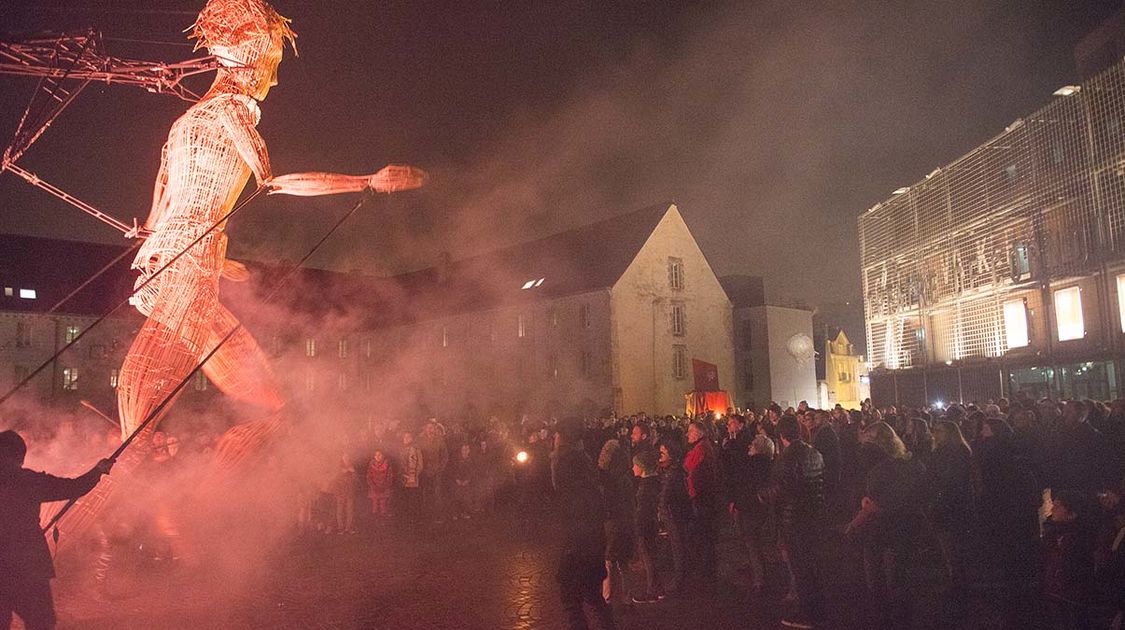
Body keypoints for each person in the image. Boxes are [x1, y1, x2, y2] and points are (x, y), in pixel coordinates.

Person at [1, 430, 114, 630]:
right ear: (19, 455)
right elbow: (75, 487)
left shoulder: (28, 480)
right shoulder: (28, 480)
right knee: (41, 622)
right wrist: (98, 471)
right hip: (28, 564)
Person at [845, 421, 927, 630]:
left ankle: (886, 619)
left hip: (881, 531)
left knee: (883, 581)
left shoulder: (879, 469)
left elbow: (875, 503)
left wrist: (855, 522)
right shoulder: (911, 463)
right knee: (901, 578)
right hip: (905, 528)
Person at [759, 415, 826, 629]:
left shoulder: (787, 458)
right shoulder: (813, 452)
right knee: (811, 566)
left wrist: (762, 495)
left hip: (794, 518)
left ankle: (808, 614)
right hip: (813, 515)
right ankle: (816, 608)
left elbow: (781, 488)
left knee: (801, 568)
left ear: (780, 435)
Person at [552, 419, 615, 630]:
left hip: (580, 544)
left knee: (572, 601)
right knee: (592, 598)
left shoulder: (569, 465)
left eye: (557, 436)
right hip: (591, 542)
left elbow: (575, 509)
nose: (554, 439)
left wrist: (572, 545)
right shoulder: (584, 462)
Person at [683, 420, 721, 583]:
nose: (687, 434)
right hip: (705, 496)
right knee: (705, 535)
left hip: (701, 497)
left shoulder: (701, 449)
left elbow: (688, 467)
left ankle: (706, 572)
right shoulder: (704, 446)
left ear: (699, 433)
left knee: (703, 535)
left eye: (690, 431)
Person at [657, 439, 691, 594]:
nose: (660, 456)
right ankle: (680, 578)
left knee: (678, 547)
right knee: (676, 546)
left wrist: (661, 510)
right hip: (674, 513)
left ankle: (680, 582)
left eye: (663, 453)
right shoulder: (670, 470)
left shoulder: (672, 473)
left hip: (674, 514)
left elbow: (665, 496)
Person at [630, 449, 663, 604]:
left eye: (635, 465)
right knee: (652, 556)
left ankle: (652, 591)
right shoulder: (653, 482)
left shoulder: (645, 487)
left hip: (645, 525)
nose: (633, 468)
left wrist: (637, 527)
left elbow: (642, 511)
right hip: (651, 524)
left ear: (642, 467)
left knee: (648, 557)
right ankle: (658, 588)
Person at [366, 448, 393, 518]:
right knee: (374, 507)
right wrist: (373, 486)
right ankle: (375, 524)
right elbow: (368, 477)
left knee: (383, 507)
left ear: (383, 455)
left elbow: (390, 477)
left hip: (384, 489)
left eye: (379, 455)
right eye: (376, 455)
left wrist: (384, 487)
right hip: (374, 489)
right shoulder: (371, 464)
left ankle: (383, 524)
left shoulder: (387, 464)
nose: (377, 457)